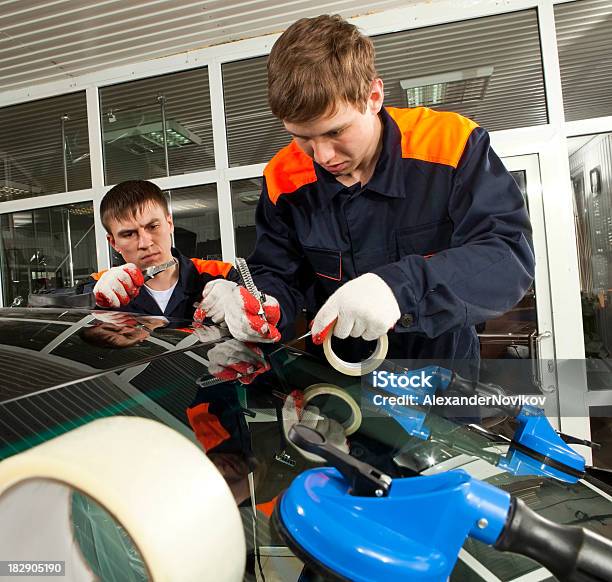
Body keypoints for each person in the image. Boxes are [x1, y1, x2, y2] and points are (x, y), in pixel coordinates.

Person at [201, 14, 535, 364]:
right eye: (302, 138)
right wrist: (265, 304)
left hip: (439, 374)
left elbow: (507, 256)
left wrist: (397, 287)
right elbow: (277, 272)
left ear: (373, 96)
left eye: (335, 131)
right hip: (333, 377)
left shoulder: (450, 145)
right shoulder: (284, 178)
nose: (324, 156)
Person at [89, 180, 239, 319]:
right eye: (129, 234)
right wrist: (92, 302)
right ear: (113, 242)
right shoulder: (99, 287)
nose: (145, 243)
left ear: (170, 224)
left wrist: (242, 303)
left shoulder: (220, 275)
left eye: (153, 227)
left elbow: (260, 315)